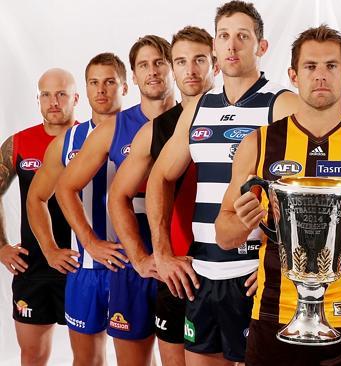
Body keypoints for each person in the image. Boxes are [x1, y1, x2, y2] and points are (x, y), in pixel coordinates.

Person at [215, 25, 341, 366]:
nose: (321, 76)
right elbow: (223, 236)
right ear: (293, 74)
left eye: (331, 66)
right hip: (274, 313)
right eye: (310, 67)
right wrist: (242, 221)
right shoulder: (258, 144)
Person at [146, 2, 298, 364]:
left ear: (261, 46)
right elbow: (160, 177)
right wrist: (163, 253)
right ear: (214, 45)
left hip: (253, 273)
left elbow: (309, 191)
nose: (232, 46)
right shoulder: (199, 107)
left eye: (242, 36)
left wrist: (281, 264)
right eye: (224, 36)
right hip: (201, 274)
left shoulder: (281, 103)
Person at [55, 35, 175, 366]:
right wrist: (90, 241)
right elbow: (65, 187)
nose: (152, 72)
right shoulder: (115, 126)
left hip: (182, 261)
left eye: (160, 63)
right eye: (143, 65)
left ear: (172, 67)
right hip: (131, 264)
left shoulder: (194, 119)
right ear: (134, 77)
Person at [107, 26, 217, 366]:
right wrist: (145, 257)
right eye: (182, 61)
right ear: (174, 67)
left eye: (199, 60)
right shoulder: (155, 130)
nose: (191, 70)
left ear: (214, 62)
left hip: (235, 270)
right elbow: (118, 196)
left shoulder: (248, 116)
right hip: (179, 273)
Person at [27, 53, 127, 366]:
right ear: (85, 89)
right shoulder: (67, 141)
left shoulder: (144, 131)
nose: (102, 90)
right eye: (94, 82)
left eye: (110, 82)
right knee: (87, 360)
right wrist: (49, 249)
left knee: (136, 360)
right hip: (85, 271)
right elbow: (36, 198)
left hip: (134, 267)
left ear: (124, 87)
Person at [0, 68, 77, 365]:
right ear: (38, 99)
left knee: (88, 356)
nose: (53, 101)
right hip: (33, 268)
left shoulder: (92, 140)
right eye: (46, 94)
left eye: (61, 94)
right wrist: (2, 246)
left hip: (80, 266)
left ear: (75, 98)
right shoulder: (19, 143)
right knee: (32, 355)